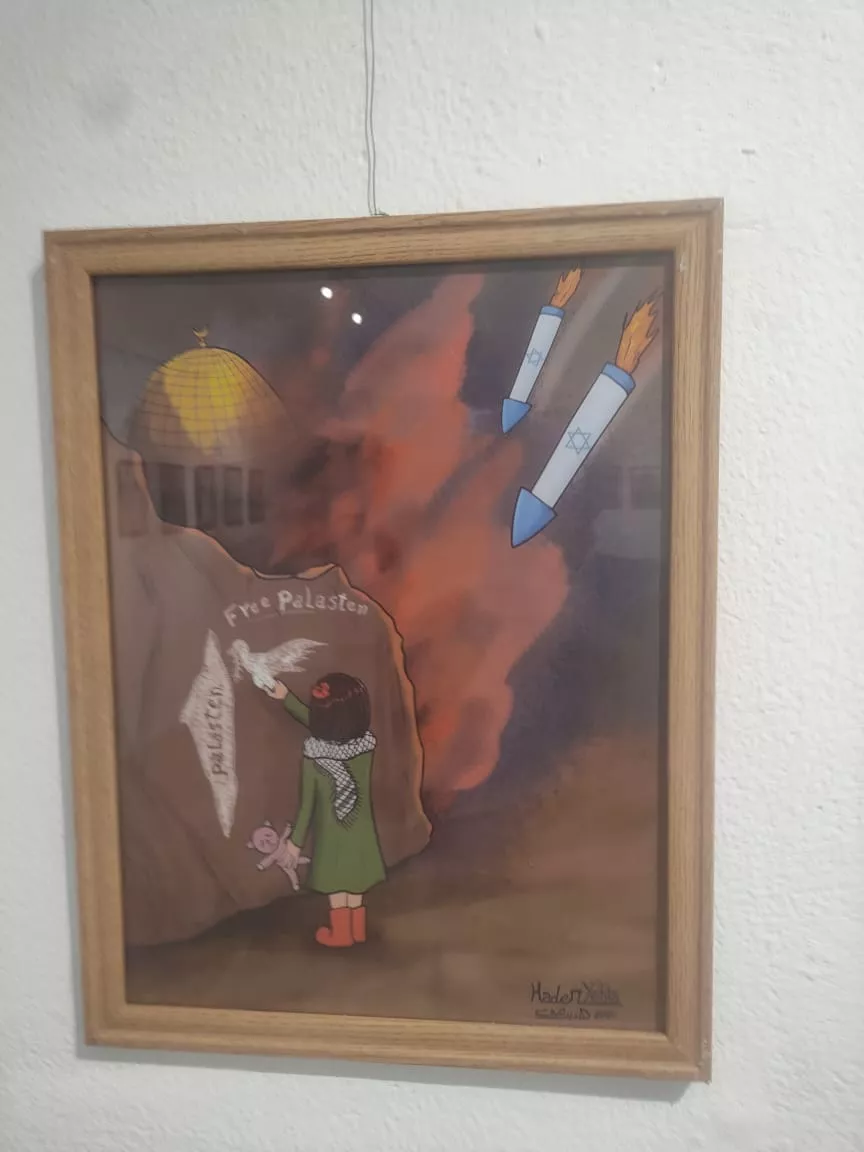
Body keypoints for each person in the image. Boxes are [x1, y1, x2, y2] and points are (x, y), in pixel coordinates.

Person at [262, 673, 385, 948]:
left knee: (337, 883)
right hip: (361, 833)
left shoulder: (314, 760)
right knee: (355, 881)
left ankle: (341, 935)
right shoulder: (364, 749)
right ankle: (357, 931)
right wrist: (287, 699)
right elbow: (330, 724)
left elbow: (307, 806)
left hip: (332, 836)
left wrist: (295, 844)